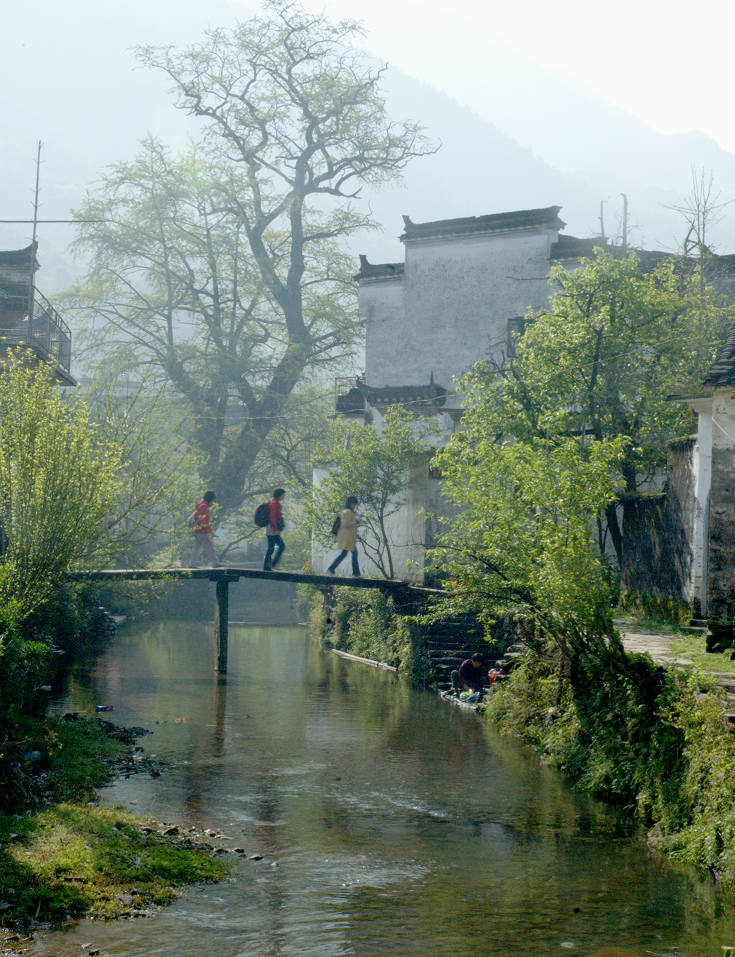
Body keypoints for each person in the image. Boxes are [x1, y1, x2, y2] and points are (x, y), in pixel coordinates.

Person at [327, 496, 362, 577]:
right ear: (350, 503)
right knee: (354, 554)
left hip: (347, 537)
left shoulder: (348, 512)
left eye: (355, 504)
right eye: (354, 504)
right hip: (347, 537)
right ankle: (356, 573)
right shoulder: (347, 512)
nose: (355, 505)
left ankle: (331, 569)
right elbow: (345, 524)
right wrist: (356, 521)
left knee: (345, 554)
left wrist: (356, 520)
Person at [189, 490, 221, 567]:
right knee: (209, 546)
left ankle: (192, 564)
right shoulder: (204, 506)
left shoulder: (201, 505)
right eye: (213, 500)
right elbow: (202, 519)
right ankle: (215, 563)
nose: (213, 503)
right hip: (202, 530)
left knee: (197, 547)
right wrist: (205, 529)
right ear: (210, 499)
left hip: (196, 530)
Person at [264, 488, 286, 571]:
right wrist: (276, 529)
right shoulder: (274, 503)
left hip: (270, 528)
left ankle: (268, 566)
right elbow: (272, 517)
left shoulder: (272, 501)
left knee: (271, 548)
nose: (284, 497)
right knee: (280, 546)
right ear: (279, 495)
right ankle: (272, 564)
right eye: (283, 495)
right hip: (272, 529)